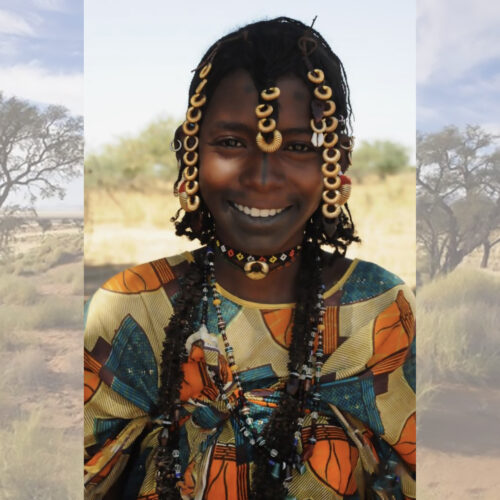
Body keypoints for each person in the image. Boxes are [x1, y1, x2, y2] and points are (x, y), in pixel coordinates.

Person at [84, 17, 415, 500]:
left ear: (334, 168)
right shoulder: (134, 308)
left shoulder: (380, 311)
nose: (262, 177)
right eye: (232, 143)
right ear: (191, 158)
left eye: (299, 146)